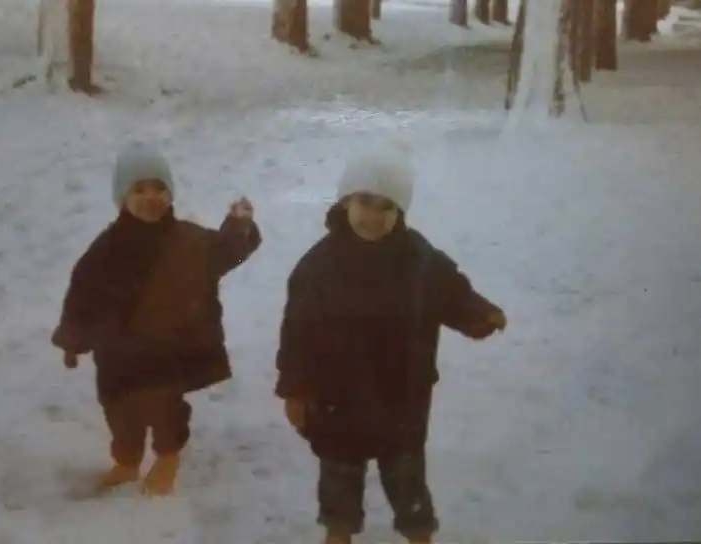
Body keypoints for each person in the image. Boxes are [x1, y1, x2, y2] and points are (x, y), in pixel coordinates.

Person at [275, 145, 507, 543]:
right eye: (365, 201)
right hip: (337, 396)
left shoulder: (419, 259)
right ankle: (338, 531)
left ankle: (418, 532)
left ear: (400, 211)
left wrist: (477, 314)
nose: (373, 215)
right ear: (346, 200)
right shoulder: (317, 267)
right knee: (339, 474)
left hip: (401, 395)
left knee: (406, 476)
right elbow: (296, 332)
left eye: (387, 206)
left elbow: (451, 292)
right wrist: (295, 389)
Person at [52, 142, 261, 496]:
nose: (151, 197)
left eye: (159, 188)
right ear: (122, 196)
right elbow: (81, 296)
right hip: (117, 353)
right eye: (139, 189)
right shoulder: (105, 251)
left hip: (168, 349)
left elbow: (222, 253)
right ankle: (127, 461)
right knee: (119, 412)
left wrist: (238, 227)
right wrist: (73, 339)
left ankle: (167, 459)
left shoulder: (189, 241)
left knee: (166, 410)